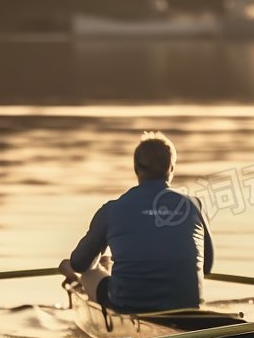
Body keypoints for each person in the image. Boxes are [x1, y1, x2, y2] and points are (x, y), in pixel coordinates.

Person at [60, 131, 214, 312]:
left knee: (87, 273)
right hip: (186, 306)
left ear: (136, 169)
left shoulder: (111, 210)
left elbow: (79, 264)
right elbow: (206, 266)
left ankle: (107, 272)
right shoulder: (193, 205)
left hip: (129, 305)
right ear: (171, 168)